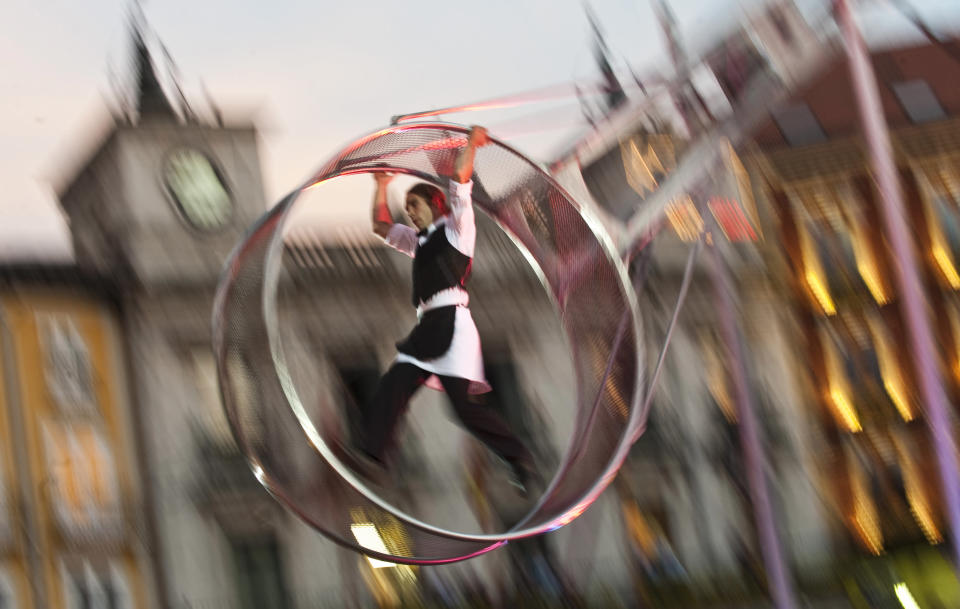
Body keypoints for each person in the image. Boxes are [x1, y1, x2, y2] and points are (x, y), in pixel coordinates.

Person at [354, 125, 538, 493]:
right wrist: (381, 185)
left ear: (434, 205)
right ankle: (373, 456)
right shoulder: (418, 241)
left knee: (463, 409)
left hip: (452, 323)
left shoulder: (457, 229)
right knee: (395, 383)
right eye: (407, 210)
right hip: (429, 325)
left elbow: (459, 180)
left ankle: (519, 458)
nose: (411, 214)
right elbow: (380, 226)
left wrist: (471, 144)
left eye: (415, 206)